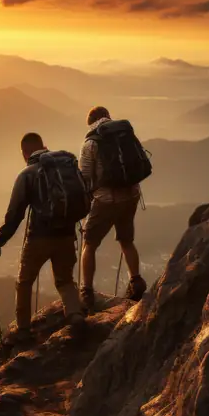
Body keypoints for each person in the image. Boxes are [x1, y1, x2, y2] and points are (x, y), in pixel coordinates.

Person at [0, 132, 86, 343]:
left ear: (25, 153)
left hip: (38, 238)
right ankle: (75, 315)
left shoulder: (27, 174)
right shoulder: (66, 167)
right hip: (66, 234)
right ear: (44, 146)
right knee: (65, 280)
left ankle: (23, 329)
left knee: (25, 282)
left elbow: (15, 214)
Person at [79, 105, 148, 313]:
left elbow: (84, 176)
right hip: (132, 195)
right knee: (126, 240)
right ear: (108, 117)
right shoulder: (126, 134)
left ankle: (86, 291)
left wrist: (85, 200)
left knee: (89, 243)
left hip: (106, 199)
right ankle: (136, 282)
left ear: (91, 123)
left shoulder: (91, 142)